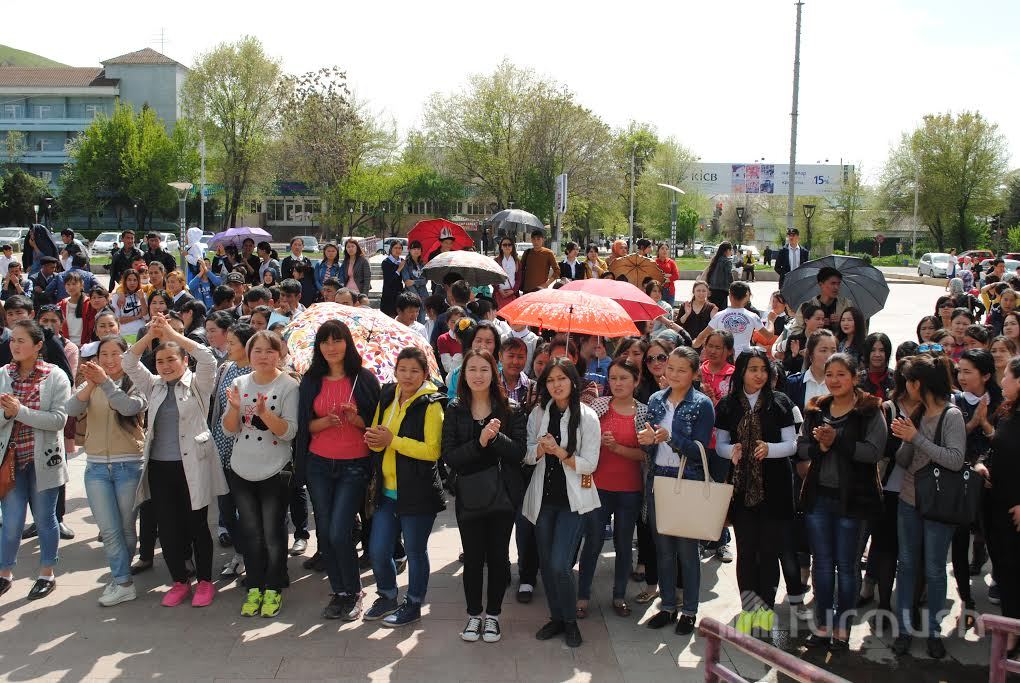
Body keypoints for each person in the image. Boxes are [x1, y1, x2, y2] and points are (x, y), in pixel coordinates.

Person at [122, 313, 228, 607]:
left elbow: (207, 357)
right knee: (167, 528)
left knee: (197, 526)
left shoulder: (198, 383)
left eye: (172, 360)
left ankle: (205, 582)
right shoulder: (153, 385)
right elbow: (128, 362)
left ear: (184, 361)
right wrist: (150, 335)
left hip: (192, 465)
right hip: (159, 467)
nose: (166, 366)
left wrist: (171, 333)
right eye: (160, 361)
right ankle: (179, 581)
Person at [798, 353, 886, 649]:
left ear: (854, 377)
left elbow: (873, 452)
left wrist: (837, 441)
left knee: (847, 566)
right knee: (821, 563)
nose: (834, 380)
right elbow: (802, 447)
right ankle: (823, 625)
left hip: (855, 500)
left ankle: (842, 627)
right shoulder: (816, 408)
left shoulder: (870, 410)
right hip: (819, 497)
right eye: (829, 374)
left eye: (841, 374)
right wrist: (820, 447)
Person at [294, 319, 380, 620]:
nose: (331, 347)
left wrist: (356, 419)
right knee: (326, 533)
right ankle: (339, 591)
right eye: (325, 341)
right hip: (318, 463)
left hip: (354, 465)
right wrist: (324, 422)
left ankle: (354, 591)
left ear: (347, 343)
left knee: (339, 531)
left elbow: (377, 425)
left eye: (337, 340)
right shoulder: (311, 380)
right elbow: (303, 425)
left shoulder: (364, 379)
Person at [443, 349, 526, 642]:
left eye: (484, 369)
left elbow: (519, 453)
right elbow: (450, 456)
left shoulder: (511, 408)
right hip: (469, 494)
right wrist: (479, 442)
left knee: (499, 556)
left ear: (494, 373)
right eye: (472, 370)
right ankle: (473, 615)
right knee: (474, 557)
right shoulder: (455, 409)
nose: (478, 375)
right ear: (463, 375)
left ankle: (493, 616)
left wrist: (496, 437)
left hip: (503, 495)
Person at [715, 348, 798, 636]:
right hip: (742, 491)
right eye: (753, 369)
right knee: (747, 552)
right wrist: (731, 451)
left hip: (775, 489)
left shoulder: (780, 402)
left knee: (769, 552)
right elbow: (720, 444)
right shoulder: (728, 405)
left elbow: (792, 444)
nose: (759, 375)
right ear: (741, 372)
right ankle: (749, 609)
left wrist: (769, 449)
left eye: (763, 369)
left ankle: (766, 611)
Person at [890, 353, 966, 659]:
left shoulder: (951, 415)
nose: (905, 387)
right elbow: (903, 460)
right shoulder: (917, 412)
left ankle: (933, 631)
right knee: (906, 565)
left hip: (938, 505)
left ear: (918, 383)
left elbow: (955, 459)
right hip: (909, 500)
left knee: (934, 569)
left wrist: (916, 437)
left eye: (908, 381)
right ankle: (904, 630)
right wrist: (906, 439)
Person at [363, 347, 445, 627]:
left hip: (417, 492)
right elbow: (377, 434)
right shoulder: (388, 394)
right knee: (378, 549)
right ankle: (387, 596)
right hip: (387, 491)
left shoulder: (431, 404)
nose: (407, 376)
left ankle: (413, 603)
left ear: (425, 374)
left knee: (415, 551)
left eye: (414, 371)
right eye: (403, 369)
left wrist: (392, 441)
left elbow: (433, 451)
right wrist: (372, 438)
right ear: (395, 370)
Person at [221, 331, 299, 618]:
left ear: (279, 354)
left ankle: (274, 586)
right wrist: (234, 409)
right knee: (250, 532)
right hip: (241, 467)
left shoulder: (289, 385)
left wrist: (265, 413)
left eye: (270, 351)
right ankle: (254, 585)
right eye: (257, 350)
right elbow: (229, 429)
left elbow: (289, 432)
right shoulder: (240, 383)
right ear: (249, 353)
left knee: (273, 533)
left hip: (275, 469)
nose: (263, 356)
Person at [525, 358, 601, 648]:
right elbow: (527, 455)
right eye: (550, 380)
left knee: (560, 564)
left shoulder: (587, 417)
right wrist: (540, 450)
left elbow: (590, 465)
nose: (556, 385)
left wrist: (559, 452)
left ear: (572, 381)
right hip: (544, 500)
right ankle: (556, 617)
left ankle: (570, 621)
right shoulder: (538, 413)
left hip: (573, 501)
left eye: (562, 378)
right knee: (546, 564)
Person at [65, 336, 146, 606]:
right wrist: (92, 383)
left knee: (126, 528)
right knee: (109, 530)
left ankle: (121, 578)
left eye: (115, 354)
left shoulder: (137, 381)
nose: (109, 360)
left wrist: (106, 382)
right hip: (96, 468)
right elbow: (71, 408)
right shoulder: (92, 383)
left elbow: (129, 407)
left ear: (126, 356)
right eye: (104, 355)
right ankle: (123, 581)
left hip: (129, 465)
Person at [641, 346, 715, 636]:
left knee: (687, 551)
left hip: (688, 481)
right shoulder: (656, 399)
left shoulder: (702, 404)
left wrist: (670, 438)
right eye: (670, 367)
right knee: (663, 550)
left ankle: (690, 611)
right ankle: (668, 606)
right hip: (658, 478)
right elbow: (651, 443)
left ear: (694, 374)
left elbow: (699, 450)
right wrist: (647, 439)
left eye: (681, 370)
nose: (673, 374)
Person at [0, 320, 71, 601]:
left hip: (44, 461)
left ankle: (46, 574)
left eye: (21, 340)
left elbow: (58, 420)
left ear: (38, 345)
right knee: (11, 522)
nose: (15, 345)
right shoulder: (3, 374)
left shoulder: (55, 376)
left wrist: (19, 411)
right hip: (10, 462)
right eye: (13, 340)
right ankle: (5, 573)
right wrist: (7, 414)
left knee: (44, 519)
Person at [577, 358, 646, 620]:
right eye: (613, 377)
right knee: (593, 542)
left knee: (624, 544)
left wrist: (618, 448)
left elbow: (646, 455)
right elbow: (581, 443)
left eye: (624, 378)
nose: (617, 383)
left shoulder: (644, 412)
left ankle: (619, 596)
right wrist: (596, 443)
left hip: (630, 490)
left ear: (636, 381)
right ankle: (582, 596)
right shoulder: (597, 406)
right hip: (598, 487)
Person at [949, 349, 1000, 620]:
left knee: (993, 534)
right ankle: (966, 598)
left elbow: (1004, 442)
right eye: (960, 371)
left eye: (968, 371)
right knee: (959, 540)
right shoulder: (954, 401)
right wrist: (973, 422)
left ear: (986, 375)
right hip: (962, 478)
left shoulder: (1001, 402)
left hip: (993, 481)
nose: (962, 377)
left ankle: (999, 580)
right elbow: (954, 438)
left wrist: (986, 424)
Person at [975, 356, 1020, 656]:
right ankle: (1009, 624)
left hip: (1016, 509)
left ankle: (1014, 632)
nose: (1002, 381)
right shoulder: (1007, 412)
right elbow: (996, 449)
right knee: (1004, 569)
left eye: (1007, 376)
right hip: (997, 505)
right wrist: (983, 466)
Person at [210, 322, 255, 581]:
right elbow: (217, 408)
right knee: (226, 510)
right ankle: (240, 553)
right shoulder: (225, 368)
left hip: (246, 450)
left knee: (246, 510)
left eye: (232, 343)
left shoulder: (257, 373)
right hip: (221, 446)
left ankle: (251, 558)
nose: (227, 348)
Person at [694, 281, 763, 357]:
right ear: (746, 296)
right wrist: (770, 320)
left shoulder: (719, 315)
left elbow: (702, 336)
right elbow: (768, 335)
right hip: (744, 358)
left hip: (724, 358)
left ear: (730, 295)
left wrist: (693, 347)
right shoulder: (753, 316)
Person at [787, 267, 853, 338]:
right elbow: (795, 332)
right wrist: (812, 327)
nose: (836, 287)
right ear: (821, 284)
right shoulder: (807, 306)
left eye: (838, 284)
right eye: (833, 283)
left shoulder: (846, 304)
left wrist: (842, 321)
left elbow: (856, 329)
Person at [676, 280, 717, 345]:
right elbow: (677, 325)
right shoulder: (685, 305)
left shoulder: (712, 307)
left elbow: (715, 329)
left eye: (704, 291)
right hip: (686, 342)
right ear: (693, 292)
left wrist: (714, 318)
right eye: (698, 291)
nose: (701, 293)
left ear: (707, 292)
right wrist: (686, 314)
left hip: (704, 343)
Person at [114, 269, 148, 343]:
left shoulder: (142, 295)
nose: (132, 283)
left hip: (141, 332)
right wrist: (137, 317)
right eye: (129, 280)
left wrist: (142, 299)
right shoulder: (117, 297)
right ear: (125, 281)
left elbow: (146, 316)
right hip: (124, 333)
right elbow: (118, 320)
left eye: (135, 280)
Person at [519, 229, 558, 294]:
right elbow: (520, 269)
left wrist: (547, 284)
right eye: (534, 239)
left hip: (541, 290)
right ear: (531, 240)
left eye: (538, 239)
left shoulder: (548, 253)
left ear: (543, 240)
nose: (536, 241)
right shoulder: (527, 252)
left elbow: (557, 271)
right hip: (527, 290)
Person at [858, 332, 894, 400]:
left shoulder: (896, 379)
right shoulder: (858, 380)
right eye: (873, 350)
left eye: (882, 350)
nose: (877, 354)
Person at [402, 241, 429, 321]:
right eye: (414, 249)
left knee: (422, 320)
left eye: (418, 249)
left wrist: (414, 282)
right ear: (410, 250)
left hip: (423, 295)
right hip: (411, 295)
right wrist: (416, 296)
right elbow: (407, 282)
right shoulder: (406, 263)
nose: (416, 251)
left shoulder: (422, 264)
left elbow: (425, 280)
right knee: (410, 319)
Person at [704, 241, 734, 310]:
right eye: (731, 250)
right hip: (722, 291)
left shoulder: (714, 260)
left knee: (711, 311)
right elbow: (729, 276)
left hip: (711, 290)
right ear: (727, 250)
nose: (731, 252)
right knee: (720, 312)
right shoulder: (727, 261)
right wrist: (732, 287)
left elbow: (709, 274)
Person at [380, 241, 406, 317]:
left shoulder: (402, 261)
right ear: (391, 249)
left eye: (400, 248)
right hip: (388, 294)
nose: (398, 250)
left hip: (399, 293)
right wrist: (399, 269)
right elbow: (389, 280)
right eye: (395, 248)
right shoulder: (386, 262)